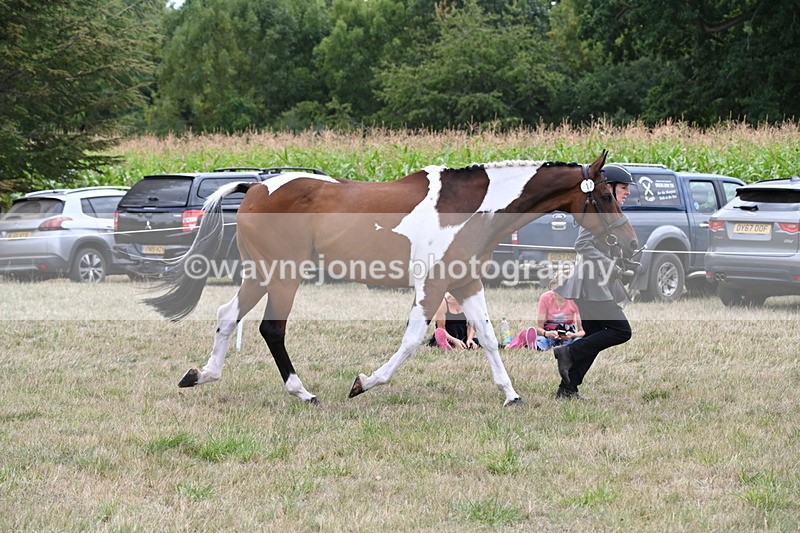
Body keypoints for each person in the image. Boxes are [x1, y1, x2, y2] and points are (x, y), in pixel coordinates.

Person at [552, 163, 638, 400]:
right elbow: (582, 245)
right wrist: (610, 265)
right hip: (591, 284)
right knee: (621, 331)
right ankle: (567, 351)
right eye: (623, 187)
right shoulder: (595, 213)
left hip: (597, 284)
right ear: (608, 187)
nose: (627, 192)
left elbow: (608, 247)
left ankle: (568, 389)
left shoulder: (611, 215)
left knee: (595, 336)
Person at [506, 275, 584, 351]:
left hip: (568, 336)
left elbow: (582, 331)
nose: (556, 293)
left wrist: (573, 335)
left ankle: (573, 347)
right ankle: (535, 345)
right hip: (549, 333)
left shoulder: (574, 300)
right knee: (543, 340)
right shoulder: (545, 298)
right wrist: (546, 333)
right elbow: (540, 327)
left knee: (577, 341)